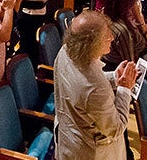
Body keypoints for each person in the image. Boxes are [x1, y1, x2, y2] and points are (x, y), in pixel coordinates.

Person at [53, 10, 138, 160]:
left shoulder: (66, 51)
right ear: (91, 44)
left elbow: (81, 90)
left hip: (68, 139)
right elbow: (115, 128)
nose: (112, 38)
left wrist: (114, 78)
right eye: (106, 36)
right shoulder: (94, 87)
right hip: (90, 152)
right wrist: (124, 89)